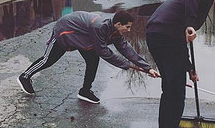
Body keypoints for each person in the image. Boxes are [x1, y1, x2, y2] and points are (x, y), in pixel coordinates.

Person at [146, 0, 215, 128]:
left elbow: (181, 45)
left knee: (169, 91)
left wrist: (190, 69)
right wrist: (190, 25)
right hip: (167, 38)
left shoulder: (182, 4)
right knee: (176, 95)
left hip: (155, 35)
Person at [17, 10, 159, 102]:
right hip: (66, 30)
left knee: (92, 60)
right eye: (127, 27)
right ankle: (25, 76)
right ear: (118, 24)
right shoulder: (99, 27)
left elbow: (126, 49)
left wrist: (147, 68)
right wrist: (125, 65)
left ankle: (85, 91)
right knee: (49, 60)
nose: (128, 30)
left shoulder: (115, 32)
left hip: (84, 37)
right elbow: (104, 52)